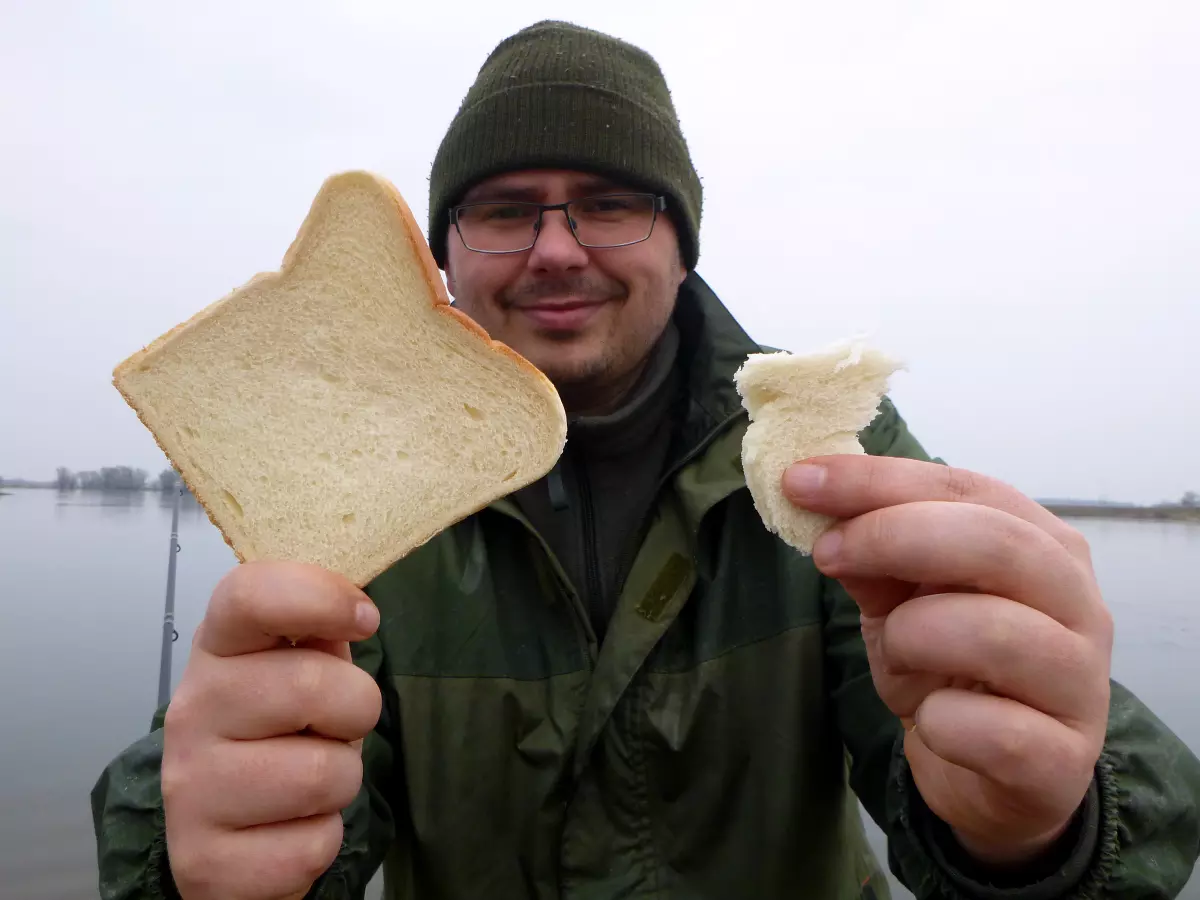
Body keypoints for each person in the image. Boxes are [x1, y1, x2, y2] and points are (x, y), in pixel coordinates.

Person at [92, 20, 1200, 900]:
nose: (557, 248)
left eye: (612, 206)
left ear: (683, 244)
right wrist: (198, 868)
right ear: (443, 260)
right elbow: (273, 816)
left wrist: (1040, 830)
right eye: (503, 211)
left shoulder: (823, 451)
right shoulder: (357, 495)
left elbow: (1100, 825)